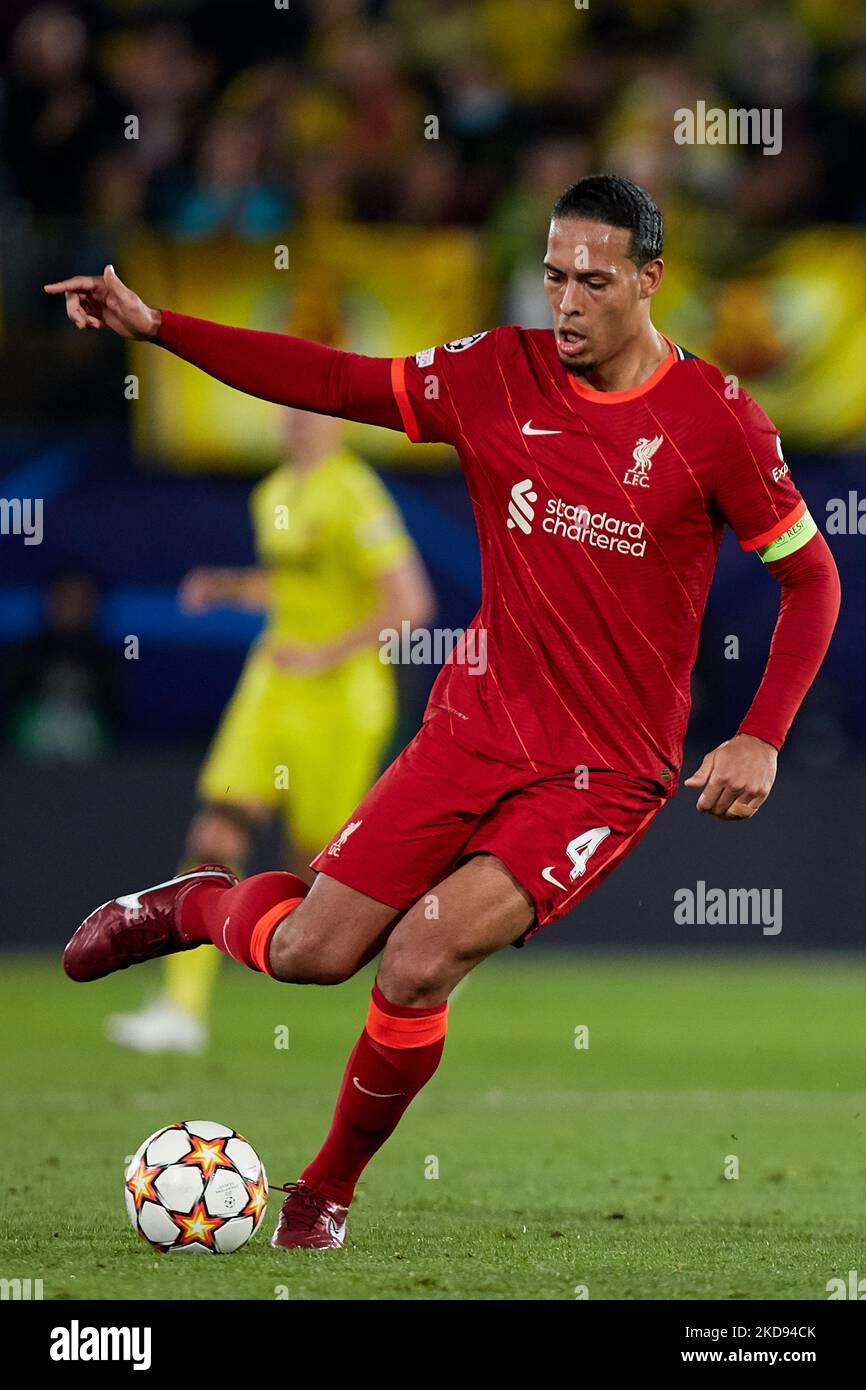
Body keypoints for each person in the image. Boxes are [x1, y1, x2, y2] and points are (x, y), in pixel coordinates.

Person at [47, 173, 840, 1251]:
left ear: (649, 282)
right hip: (470, 729)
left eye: (592, 282)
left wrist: (760, 731)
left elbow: (812, 580)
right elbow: (332, 378)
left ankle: (322, 1193)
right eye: (553, 275)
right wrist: (157, 327)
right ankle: (193, 907)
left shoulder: (715, 421)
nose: (564, 301)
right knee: (314, 955)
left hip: (600, 772)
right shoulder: (492, 374)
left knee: (418, 958)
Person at [106, 406, 434, 1054]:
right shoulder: (273, 494)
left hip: (341, 702)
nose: (298, 424)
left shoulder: (355, 493)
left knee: (321, 878)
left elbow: (410, 605)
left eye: (312, 415)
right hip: (272, 685)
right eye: (288, 413)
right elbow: (293, 588)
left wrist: (323, 653)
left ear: (340, 425)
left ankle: (426, 952)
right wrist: (231, 587)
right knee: (217, 828)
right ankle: (181, 1007)